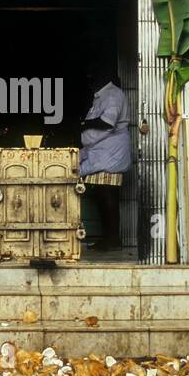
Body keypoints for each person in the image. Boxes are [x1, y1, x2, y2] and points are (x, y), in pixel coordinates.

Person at [79, 70, 131, 251]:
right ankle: (108, 238)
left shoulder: (112, 94)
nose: (89, 81)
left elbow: (108, 122)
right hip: (101, 154)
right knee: (102, 197)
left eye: (92, 77)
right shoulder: (102, 95)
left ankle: (112, 239)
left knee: (108, 196)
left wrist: (86, 124)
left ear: (103, 77)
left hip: (110, 155)